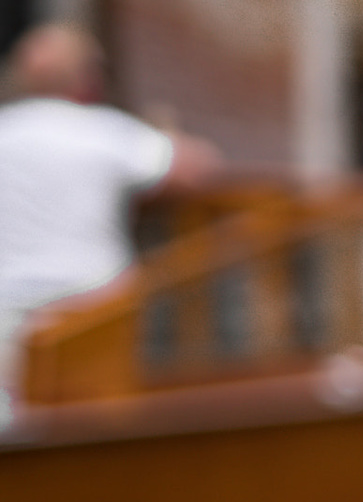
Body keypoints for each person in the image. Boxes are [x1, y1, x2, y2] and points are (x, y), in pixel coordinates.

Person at [0, 23, 218, 396]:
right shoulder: (103, 132)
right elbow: (199, 166)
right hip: (93, 305)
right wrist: (164, 134)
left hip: (10, 307)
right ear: (86, 78)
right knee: (98, 422)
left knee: (19, 428)